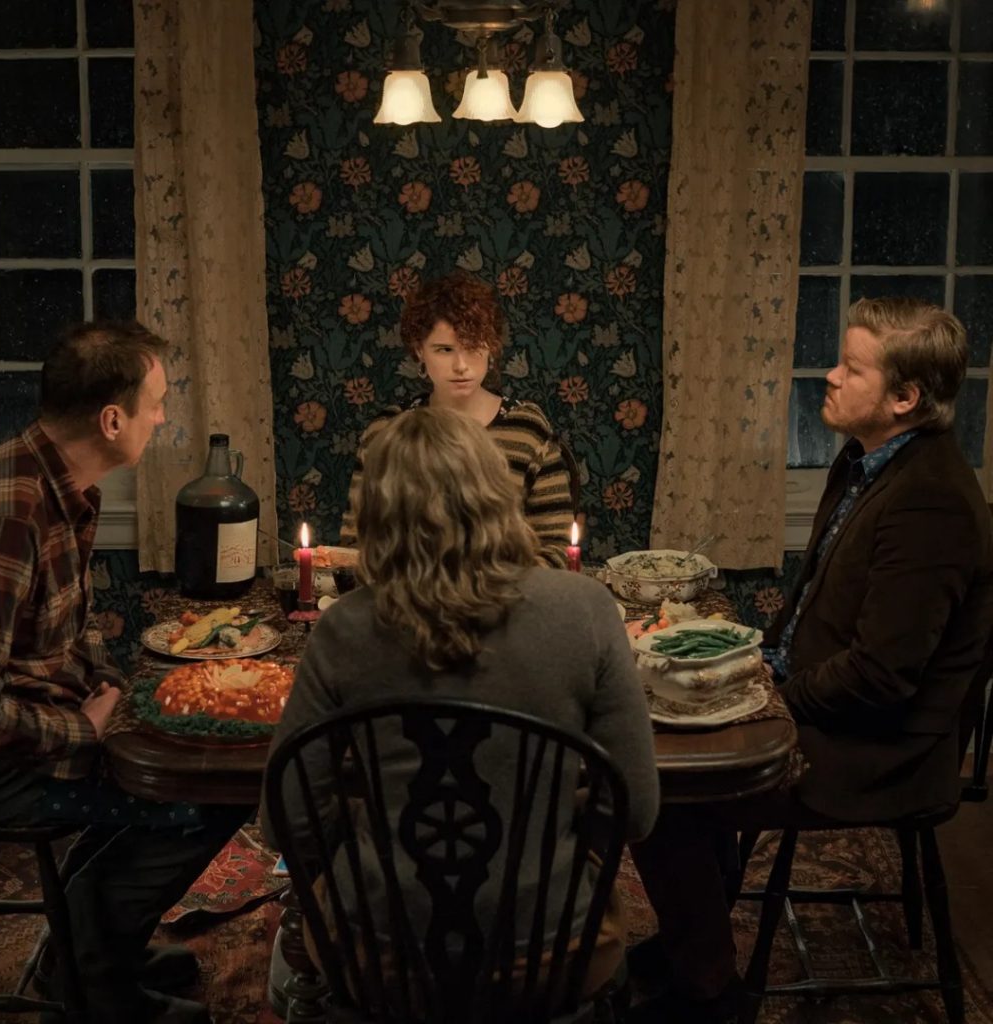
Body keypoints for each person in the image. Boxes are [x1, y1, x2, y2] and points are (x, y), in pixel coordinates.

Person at [627, 297, 993, 1023]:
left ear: (903, 397)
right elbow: (815, 621)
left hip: (882, 751)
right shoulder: (867, 461)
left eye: (852, 368)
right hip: (831, 706)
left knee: (661, 789)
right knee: (672, 733)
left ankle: (708, 993)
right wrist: (752, 662)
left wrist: (764, 698)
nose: (830, 375)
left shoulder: (933, 503)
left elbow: (882, 677)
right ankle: (694, 941)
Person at [264, 406, 659, 1008]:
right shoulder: (586, 609)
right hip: (552, 947)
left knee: (293, 955)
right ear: (499, 495)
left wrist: (366, 828)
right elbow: (636, 809)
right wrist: (554, 822)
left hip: (379, 954)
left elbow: (286, 821)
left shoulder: (341, 629)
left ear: (376, 516)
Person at [0, 321, 251, 1024]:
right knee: (201, 796)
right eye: (155, 404)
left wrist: (110, 683)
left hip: (43, 719)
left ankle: (85, 952)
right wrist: (83, 733)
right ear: (111, 420)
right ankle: (96, 984)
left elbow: (70, 622)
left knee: (193, 769)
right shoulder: (13, 508)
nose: (161, 418)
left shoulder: (63, 483)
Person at [340, 271, 576, 568]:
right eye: (445, 350)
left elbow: (557, 548)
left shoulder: (526, 428)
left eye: (473, 347)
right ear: (419, 350)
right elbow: (355, 544)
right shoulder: (389, 431)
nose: (461, 365)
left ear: (491, 348)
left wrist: (491, 582)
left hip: (508, 590)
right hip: (410, 591)